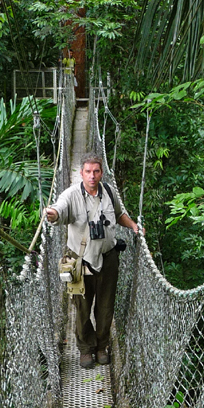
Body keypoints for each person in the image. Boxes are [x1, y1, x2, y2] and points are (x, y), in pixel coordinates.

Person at [45, 152, 142, 369]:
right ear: (81, 173)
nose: (92, 176)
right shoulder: (70, 195)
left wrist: (134, 226)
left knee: (105, 307)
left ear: (101, 172)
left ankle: (102, 347)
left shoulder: (108, 191)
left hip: (108, 258)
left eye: (96, 171)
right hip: (80, 262)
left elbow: (119, 214)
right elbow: (59, 210)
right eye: (88, 172)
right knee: (82, 308)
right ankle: (86, 349)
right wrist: (52, 214)